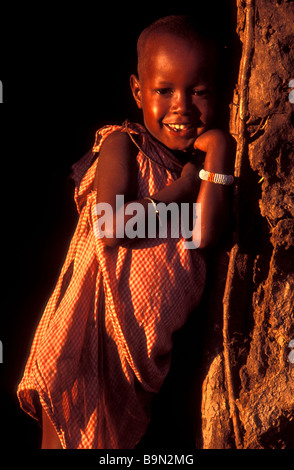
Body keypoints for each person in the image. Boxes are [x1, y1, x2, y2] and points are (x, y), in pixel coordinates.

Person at [17, 15, 234, 449]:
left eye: (200, 92)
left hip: (137, 364)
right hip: (84, 347)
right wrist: (185, 187)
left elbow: (205, 235)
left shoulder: (197, 172)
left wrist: (221, 153)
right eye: (164, 90)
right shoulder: (124, 145)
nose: (182, 106)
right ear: (138, 91)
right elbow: (111, 224)